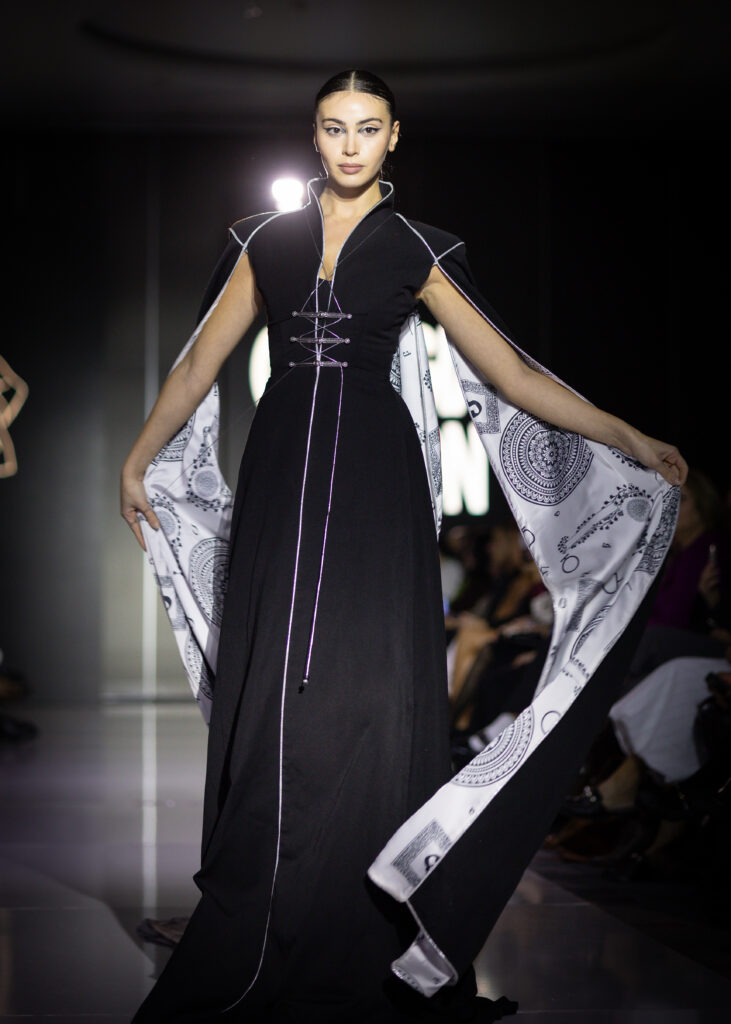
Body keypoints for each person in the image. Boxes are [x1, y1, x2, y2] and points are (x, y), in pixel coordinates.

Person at [120, 70, 687, 1023]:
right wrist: (138, 461)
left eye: (367, 128)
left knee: (371, 693)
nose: (349, 145)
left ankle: (363, 923)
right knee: (272, 687)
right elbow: (195, 369)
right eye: (334, 128)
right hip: (279, 471)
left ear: (393, 137)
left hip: (376, 484)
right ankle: (259, 907)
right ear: (313, 136)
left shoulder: (419, 249)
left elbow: (509, 373)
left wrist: (626, 435)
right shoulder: (264, 240)